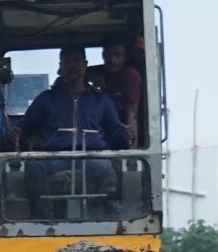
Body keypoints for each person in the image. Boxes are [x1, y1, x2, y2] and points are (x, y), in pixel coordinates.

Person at [19, 47, 126, 214]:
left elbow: (116, 133)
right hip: (53, 158)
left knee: (105, 167)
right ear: (60, 67)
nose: (72, 65)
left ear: (85, 65)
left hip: (93, 157)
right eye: (67, 61)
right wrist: (14, 135)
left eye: (77, 60)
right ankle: (43, 218)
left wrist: (126, 135)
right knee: (34, 167)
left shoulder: (101, 100)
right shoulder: (46, 99)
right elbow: (24, 129)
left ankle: (107, 214)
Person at [100, 40, 147, 148]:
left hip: (124, 135)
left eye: (118, 55)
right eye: (108, 55)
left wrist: (132, 153)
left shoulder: (130, 76)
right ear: (103, 55)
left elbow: (132, 114)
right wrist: (91, 78)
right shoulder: (101, 71)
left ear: (125, 57)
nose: (112, 60)